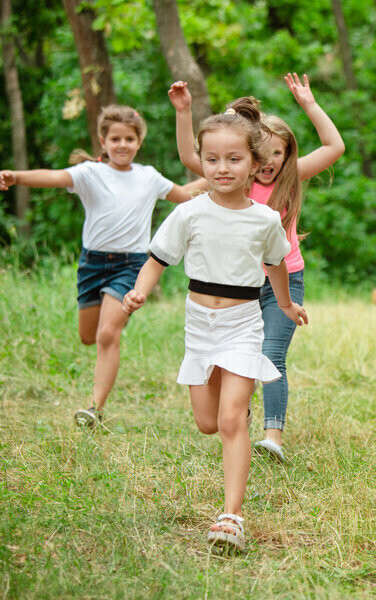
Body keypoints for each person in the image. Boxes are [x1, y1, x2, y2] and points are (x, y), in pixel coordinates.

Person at [123, 98, 307, 552]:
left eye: (234, 159)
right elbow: (157, 258)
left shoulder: (266, 218)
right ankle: (235, 415)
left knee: (229, 422)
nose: (222, 168)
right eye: (212, 160)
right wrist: (140, 290)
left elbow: (278, 264)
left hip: (244, 324)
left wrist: (284, 304)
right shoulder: (190, 211)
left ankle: (231, 516)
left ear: (255, 164)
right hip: (199, 325)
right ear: (201, 162)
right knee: (208, 423)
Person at [168, 73, 344, 462]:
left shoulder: (292, 177)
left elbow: (334, 146)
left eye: (278, 153)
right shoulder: (238, 181)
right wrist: (184, 113)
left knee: (272, 354)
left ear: (287, 156)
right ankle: (239, 415)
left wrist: (309, 104)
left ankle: (273, 437)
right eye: (263, 153)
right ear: (250, 157)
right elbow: (188, 157)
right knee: (233, 359)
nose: (270, 161)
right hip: (239, 287)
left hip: (285, 280)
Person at [0, 105, 205, 427]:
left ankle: (94, 408)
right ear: (103, 141)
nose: (122, 145)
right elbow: (53, 177)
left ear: (139, 142)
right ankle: (109, 332)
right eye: (115, 139)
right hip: (92, 265)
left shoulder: (148, 177)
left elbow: (185, 196)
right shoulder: (89, 173)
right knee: (89, 336)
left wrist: (217, 178)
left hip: (132, 265)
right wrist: (16, 177)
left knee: (108, 335)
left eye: (129, 139)